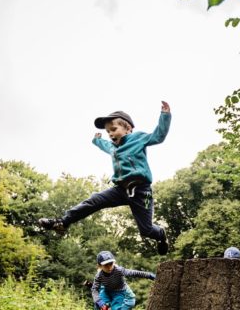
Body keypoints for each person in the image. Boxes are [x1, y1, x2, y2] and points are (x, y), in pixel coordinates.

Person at [38, 102, 171, 255]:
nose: (111, 134)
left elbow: (158, 136)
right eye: (108, 132)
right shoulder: (113, 147)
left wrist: (165, 115)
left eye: (114, 129)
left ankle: (161, 235)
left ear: (128, 128)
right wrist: (97, 140)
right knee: (94, 200)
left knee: (146, 230)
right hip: (120, 190)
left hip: (141, 191)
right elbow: (105, 145)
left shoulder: (138, 138)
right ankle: (62, 222)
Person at [90, 250, 156, 310]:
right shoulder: (99, 275)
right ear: (99, 266)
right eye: (106, 265)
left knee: (116, 308)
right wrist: (98, 301)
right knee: (98, 302)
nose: (109, 267)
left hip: (119, 292)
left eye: (111, 264)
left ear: (114, 262)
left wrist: (150, 275)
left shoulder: (119, 270)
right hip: (106, 291)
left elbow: (135, 273)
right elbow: (94, 289)